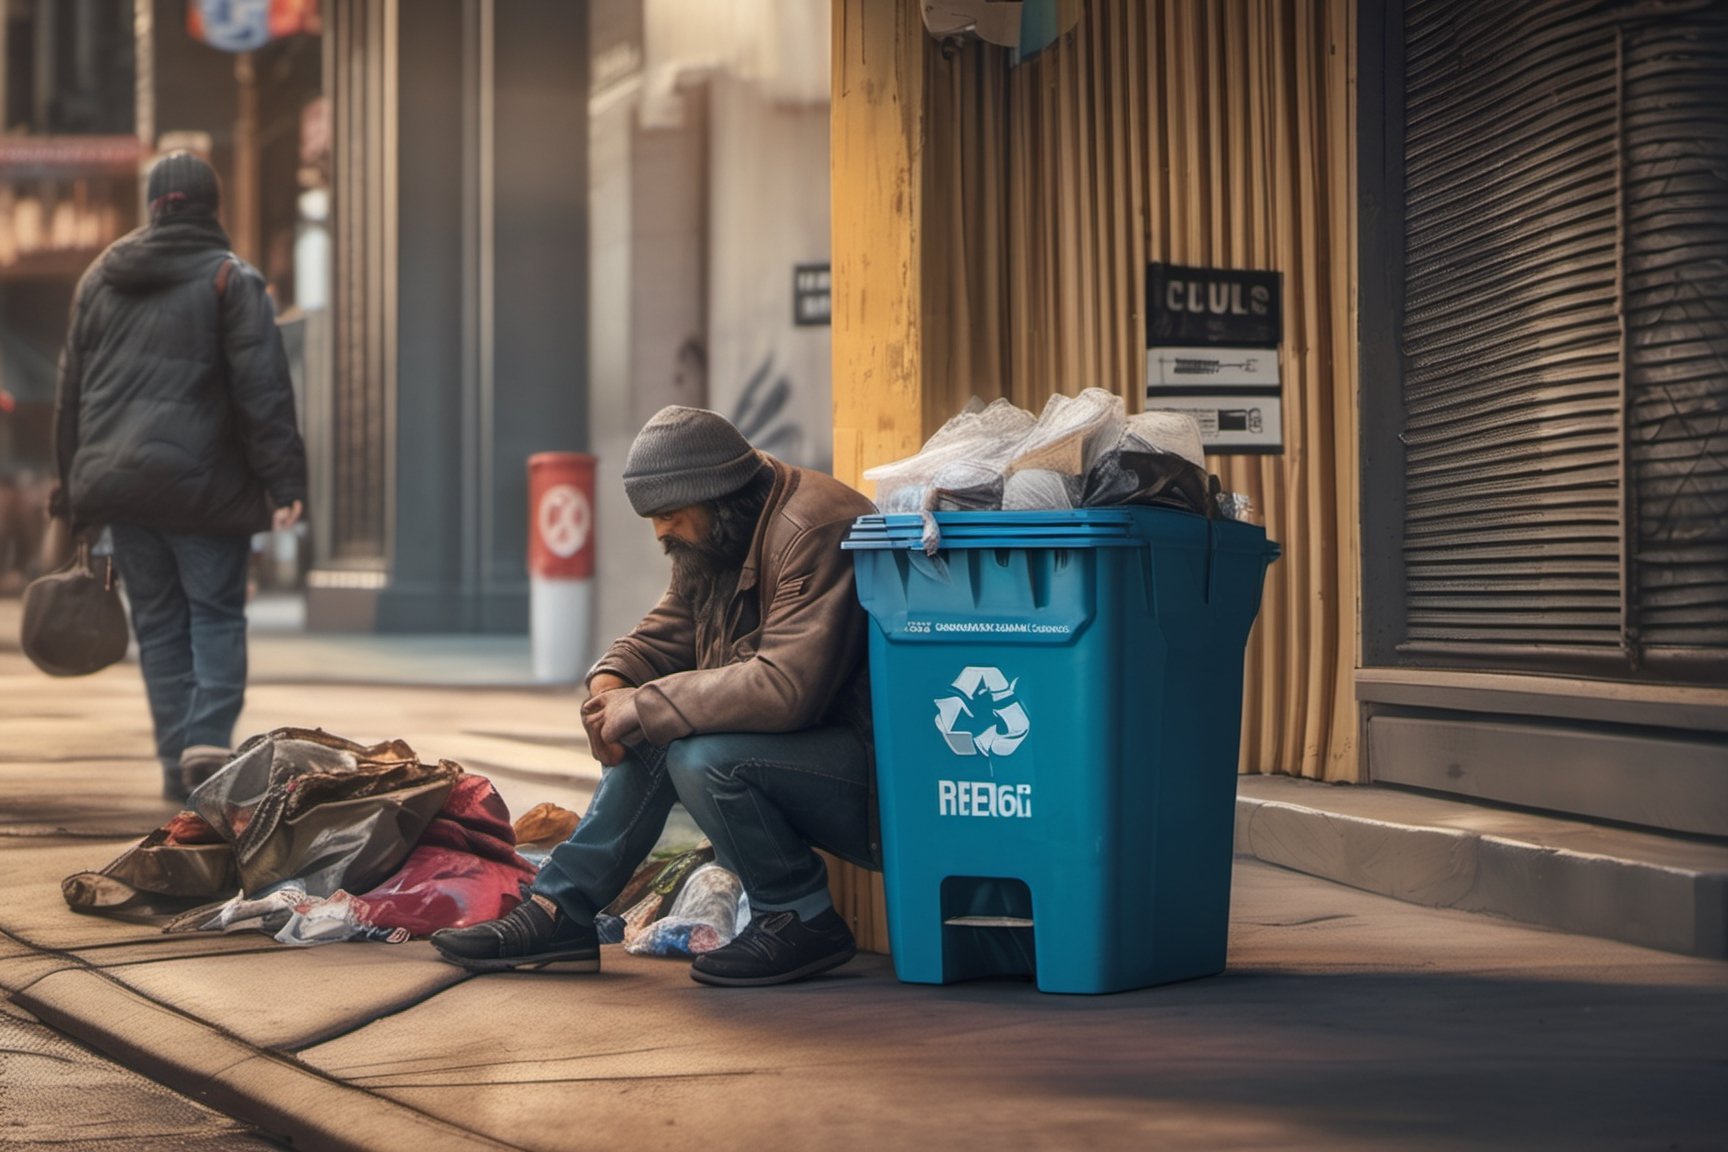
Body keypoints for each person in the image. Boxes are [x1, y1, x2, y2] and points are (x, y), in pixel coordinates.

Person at [433, 406, 879, 986]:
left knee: (696, 753)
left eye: (669, 514)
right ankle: (560, 912)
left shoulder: (813, 529)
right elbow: (666, 631)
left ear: (719, 498)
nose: (660, 532)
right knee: (650, 726)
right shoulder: (725, 532)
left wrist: (642, 705)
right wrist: (609, 687)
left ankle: (800, 915)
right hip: (807, 757)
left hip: (872, 785)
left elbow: (785, 688)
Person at [50, 151, 307, 802]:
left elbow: (70, 396)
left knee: (159, 626)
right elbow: (264, 392)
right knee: (216, 615)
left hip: (119, 490)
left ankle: (177, 763)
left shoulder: (100, 279)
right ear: (211, 206)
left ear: (153, 206)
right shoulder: (230, 278)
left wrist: (71, 492)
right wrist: (285, 484)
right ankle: (208, 743)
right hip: (206, 488)